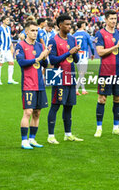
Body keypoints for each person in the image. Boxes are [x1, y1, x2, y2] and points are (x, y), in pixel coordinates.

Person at [47, 14, 83, 144]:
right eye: (67, 24)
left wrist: (76, 52)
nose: (69, 26)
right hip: (57, 75)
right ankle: (51, 136)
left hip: (70, 75)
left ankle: (68, 134)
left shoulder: (72, 39)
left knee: (69, 106)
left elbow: (76, 60)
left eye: (70, 24)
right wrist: (69, 52)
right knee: (55, 106)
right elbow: (52, 60)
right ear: (59, 25)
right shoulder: (53, 40)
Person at [15, 21, 52, 149]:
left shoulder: (40, 46)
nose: (35, 33)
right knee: (28, 112)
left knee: (37, 113)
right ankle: (24, 140)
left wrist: (45, 57)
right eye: (32, 30)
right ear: (26, 32)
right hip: (28, 84)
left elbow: (45, 65)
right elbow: (21, 62)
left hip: (40, 84)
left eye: (36, 31)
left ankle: (32, 139)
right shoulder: (20, 45)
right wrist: (38, 58)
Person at [94, 10, 119, 138]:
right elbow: (100, 52)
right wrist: (116, 46)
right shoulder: (100, 33)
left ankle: (116, 127)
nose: (114, 21)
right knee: (102, 99)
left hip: (118, 72)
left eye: (115, 18)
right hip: (105, 72)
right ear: (106, 20)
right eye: (111, 18)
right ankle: (99, 128)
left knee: (118, 98)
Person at [73, 20, 95, 95]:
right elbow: (91, 46)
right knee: (82, 73)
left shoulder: (74, 35)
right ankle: (75, 89)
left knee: (80, 73)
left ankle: (83, 89)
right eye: (85, 24)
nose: (85, 25)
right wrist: (93, 54)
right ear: (82, 25)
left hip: (76, 55)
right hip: (84, 55)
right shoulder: (86, 34)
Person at [0, 15, 18, 85]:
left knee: (11, 62)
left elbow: (9, 38)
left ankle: (10, 79)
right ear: (4, 20)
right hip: (2, 49)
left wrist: (12, 47)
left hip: (7, 49)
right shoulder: (0, 29)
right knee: (0, 64)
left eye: (9, 20)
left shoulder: (8, 28)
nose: (8, 21)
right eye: (7, 20)